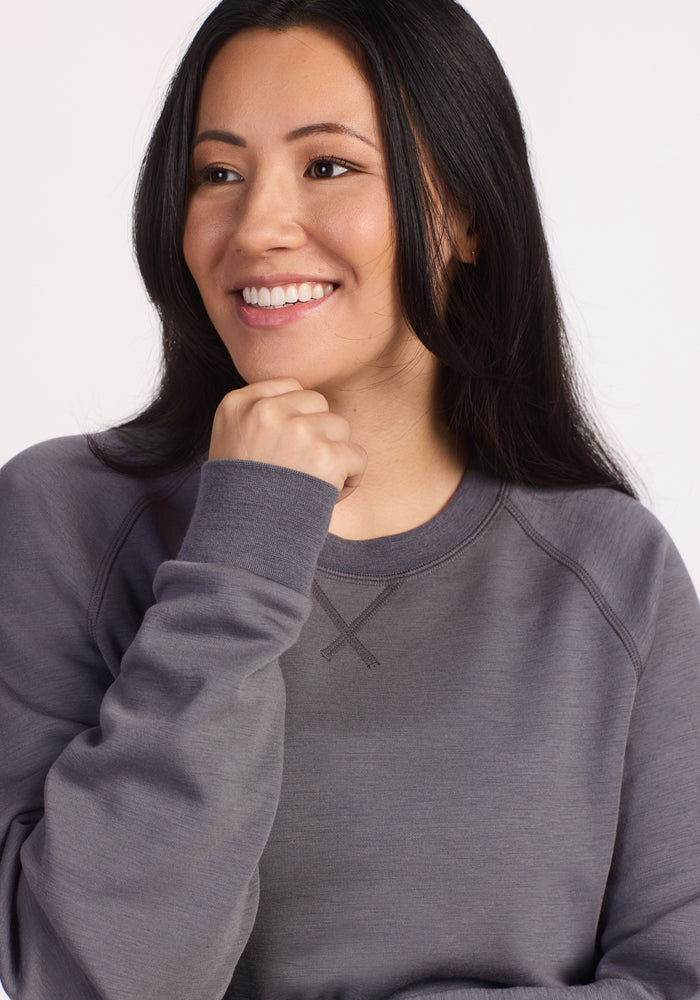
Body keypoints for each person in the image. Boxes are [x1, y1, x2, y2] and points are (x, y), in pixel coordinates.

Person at [0, 0, 698, 998]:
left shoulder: (614, 570)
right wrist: (240, 553)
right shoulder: (61, 518)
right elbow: (92, 976)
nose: (258, 227)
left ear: (463, 214)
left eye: (326, 166)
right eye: (218, 173)